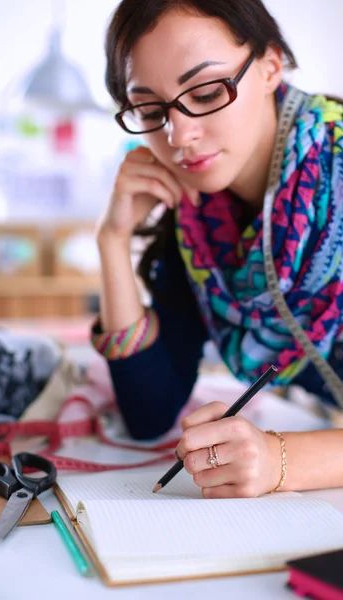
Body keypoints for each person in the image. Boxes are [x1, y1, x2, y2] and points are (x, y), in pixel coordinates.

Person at [91, 0, 343, 498]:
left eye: (206, 93)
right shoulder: (199, 221)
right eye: (150, 109)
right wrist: (112, 241)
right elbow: (150, 413)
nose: (179, 135)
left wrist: (280, 460)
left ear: (271, 66)